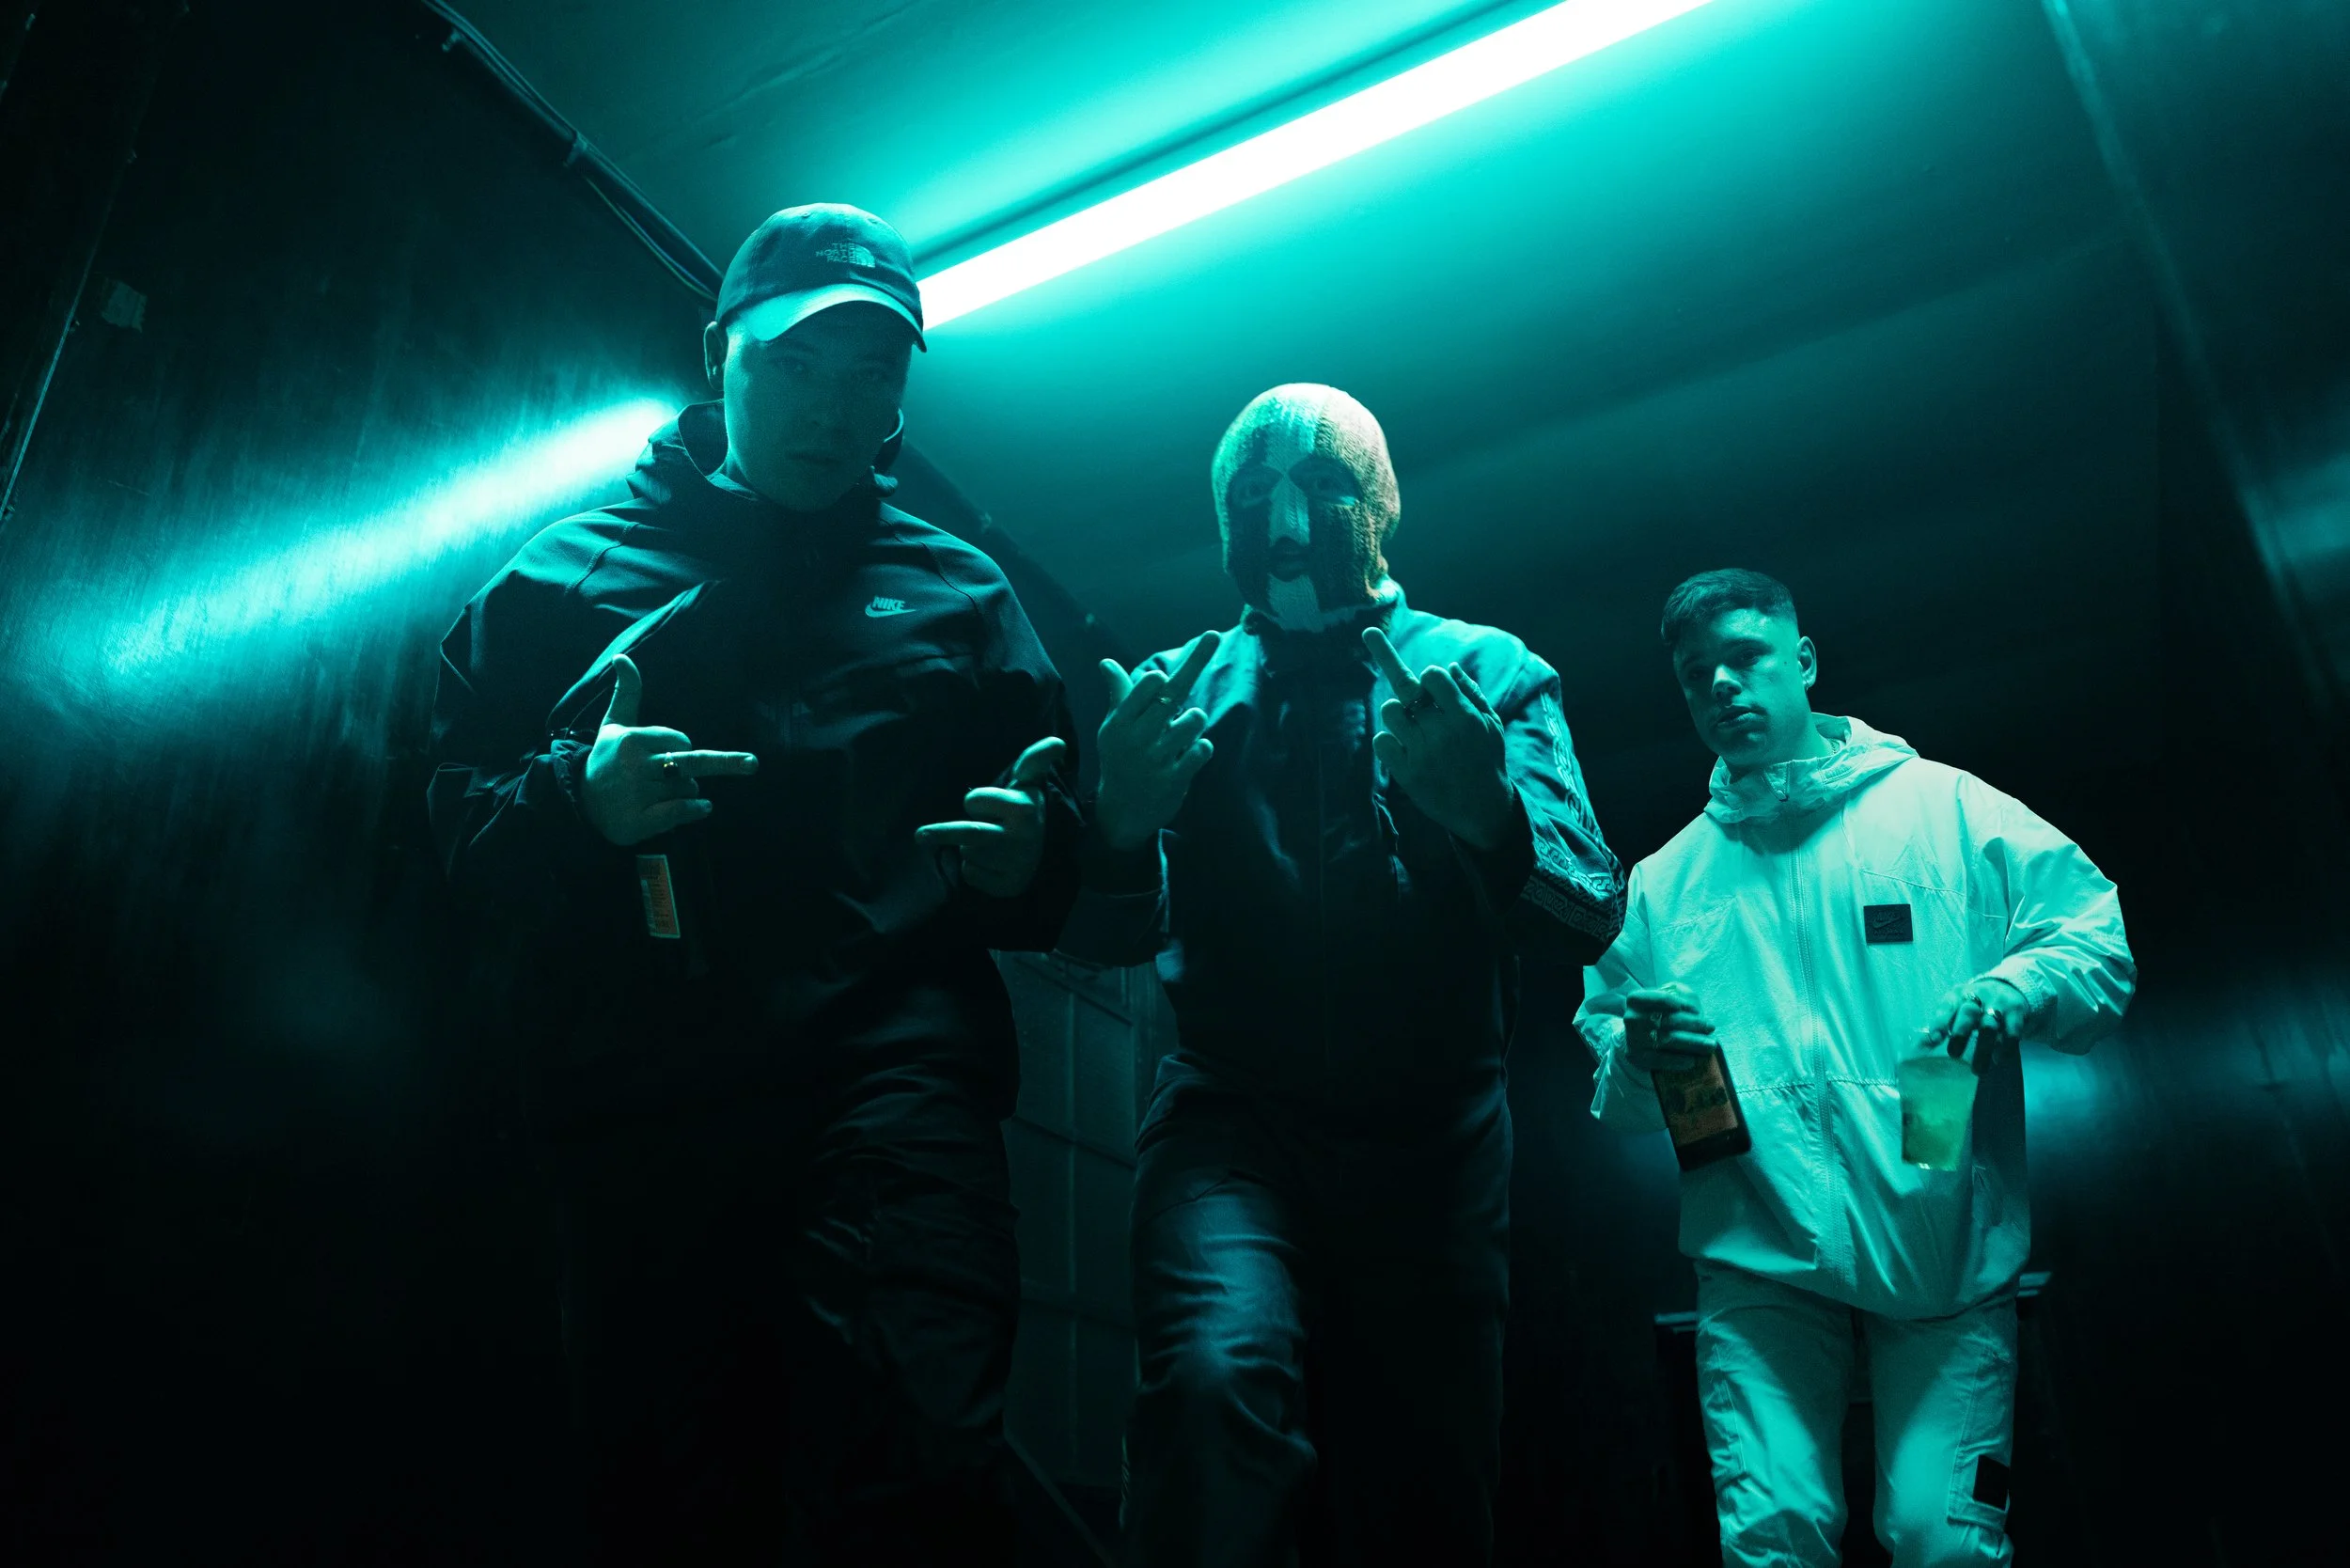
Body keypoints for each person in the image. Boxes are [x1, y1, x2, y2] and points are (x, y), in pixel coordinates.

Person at [426, 204, 1079, 1565]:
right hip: (651, 1105)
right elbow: (444, 837)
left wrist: (1041, 860)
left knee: (923, 1461)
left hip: (896, 1083)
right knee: (672, 1499)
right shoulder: (565, 576)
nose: (837, 410)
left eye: (873, 376)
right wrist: (576, 804)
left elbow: (1044, 854)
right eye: (797, 365)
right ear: (719, 352)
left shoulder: (960, 594)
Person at [1058, 384, 1623, 1565]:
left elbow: (1582, 914)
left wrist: (1486, 813)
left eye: (1323, 488)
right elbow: (1101, 939)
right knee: (1212, 1391)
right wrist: (1112, 828)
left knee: (1422, 1484)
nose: (1284, 521)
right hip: (1231, 1124)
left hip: (1434, 1142)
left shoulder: (1483, 673)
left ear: (1386, 505)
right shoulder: (1180, 687)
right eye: (1251, 494)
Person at [1576, 569, 2135, 1567]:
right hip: (1757, 1253)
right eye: (1696, 673)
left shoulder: (1944, 814)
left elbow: (2092, 942)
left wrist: (2014, 988)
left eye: (1744, 657)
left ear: (1803, 660)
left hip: (1940, 1244)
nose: (1721, 687)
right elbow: (1612, 1080)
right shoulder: (1666, 885)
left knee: (1944, 1544)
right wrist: (1637, 1055)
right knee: (1773, 1544)